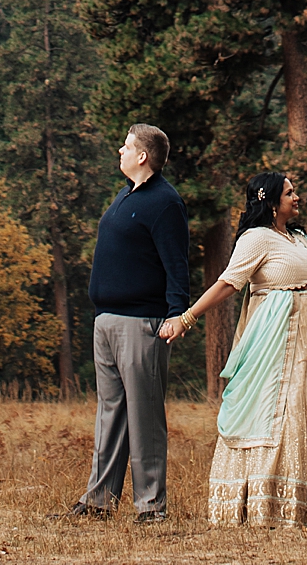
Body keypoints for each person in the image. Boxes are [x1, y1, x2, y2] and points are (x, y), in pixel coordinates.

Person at [160, 171, 307, 528]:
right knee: (274, 413)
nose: (296, 198)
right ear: (271, 201)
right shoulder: (256, 239)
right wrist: (186, 318)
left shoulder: (300, 239)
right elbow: (227, 284)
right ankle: (265, 503)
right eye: (290, 193)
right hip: (274, 344)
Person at [69, 123, 191, 524]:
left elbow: (177, 264)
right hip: (106, 321)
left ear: (142, 156)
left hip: (143, 324)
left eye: (124, 146)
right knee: (111, 414)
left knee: (145, 417)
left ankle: (151, 507)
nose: (118, 151)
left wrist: (177, 314)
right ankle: (99, 500)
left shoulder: (165, 202)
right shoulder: (127, 196)